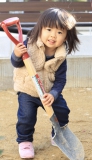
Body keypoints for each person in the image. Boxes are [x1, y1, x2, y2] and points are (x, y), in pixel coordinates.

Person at [11, 8, 80, 159]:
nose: (53, 35)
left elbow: (61, 80)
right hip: (27, 90)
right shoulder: (28, 44)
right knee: (26, 117)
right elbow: (16, 63)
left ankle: (57, 134)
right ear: (40, 28)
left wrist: (54, 95)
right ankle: (25, 141)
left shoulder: (60, 56)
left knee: (62, 112)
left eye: (60, 32)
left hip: (48, 92)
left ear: (67, 36)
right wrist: (17, 53)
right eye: (49, 29)